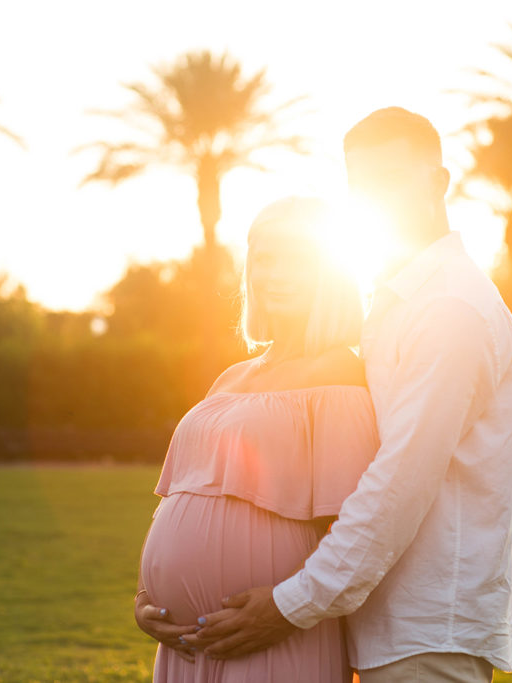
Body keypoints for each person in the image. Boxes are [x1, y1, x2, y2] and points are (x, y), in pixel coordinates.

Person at [188, 107, 512, 682]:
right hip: (386, 628)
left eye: (392, 180)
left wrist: (291, 603)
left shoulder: (451, 309)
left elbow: (401, 479)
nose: (376, 199)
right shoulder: (398, 302)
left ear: (438, 183)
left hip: (425, 635)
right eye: (362, 185)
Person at [134, 196, 379, 682]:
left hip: (273, 638)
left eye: (297, 259)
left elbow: (354, 528)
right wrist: (146, 597)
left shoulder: (340, 372)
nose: (276, 275)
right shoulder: (231, 377)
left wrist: (287, 608)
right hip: (184, 647)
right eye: (265, 259)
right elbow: (179, 501)